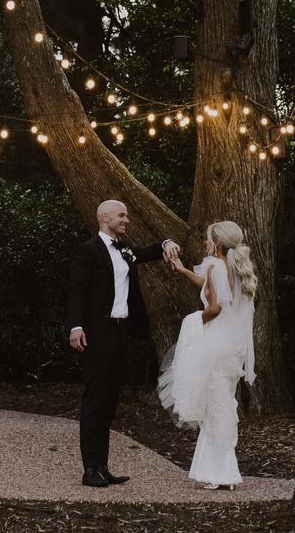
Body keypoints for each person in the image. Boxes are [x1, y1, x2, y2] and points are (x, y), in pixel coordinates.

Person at [66, 199, 180, 488]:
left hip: (120, 333)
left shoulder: (126, 250)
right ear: (104, 217)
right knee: (94, 399)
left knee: (109, 401)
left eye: (127, 215)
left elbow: (149, 251)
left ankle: (102, 467)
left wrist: (166, 243)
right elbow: (76, 292)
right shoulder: (88, 251)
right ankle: (90, 468)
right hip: (96, 332)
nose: (126, 220)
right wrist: (76, 326)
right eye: (121, 215)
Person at [157, 220, 257, 490]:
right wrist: (182, 271)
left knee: (216, 407)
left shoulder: (216, 265)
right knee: (221, 403)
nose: (205, 241)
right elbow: (211, 286)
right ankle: (221, 467)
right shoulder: (234, 267)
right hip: (231, 350)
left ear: (218, 243)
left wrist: (194, 320)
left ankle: (222, 472)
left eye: (208, 238)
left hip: (215, 345)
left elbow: (214, 307)